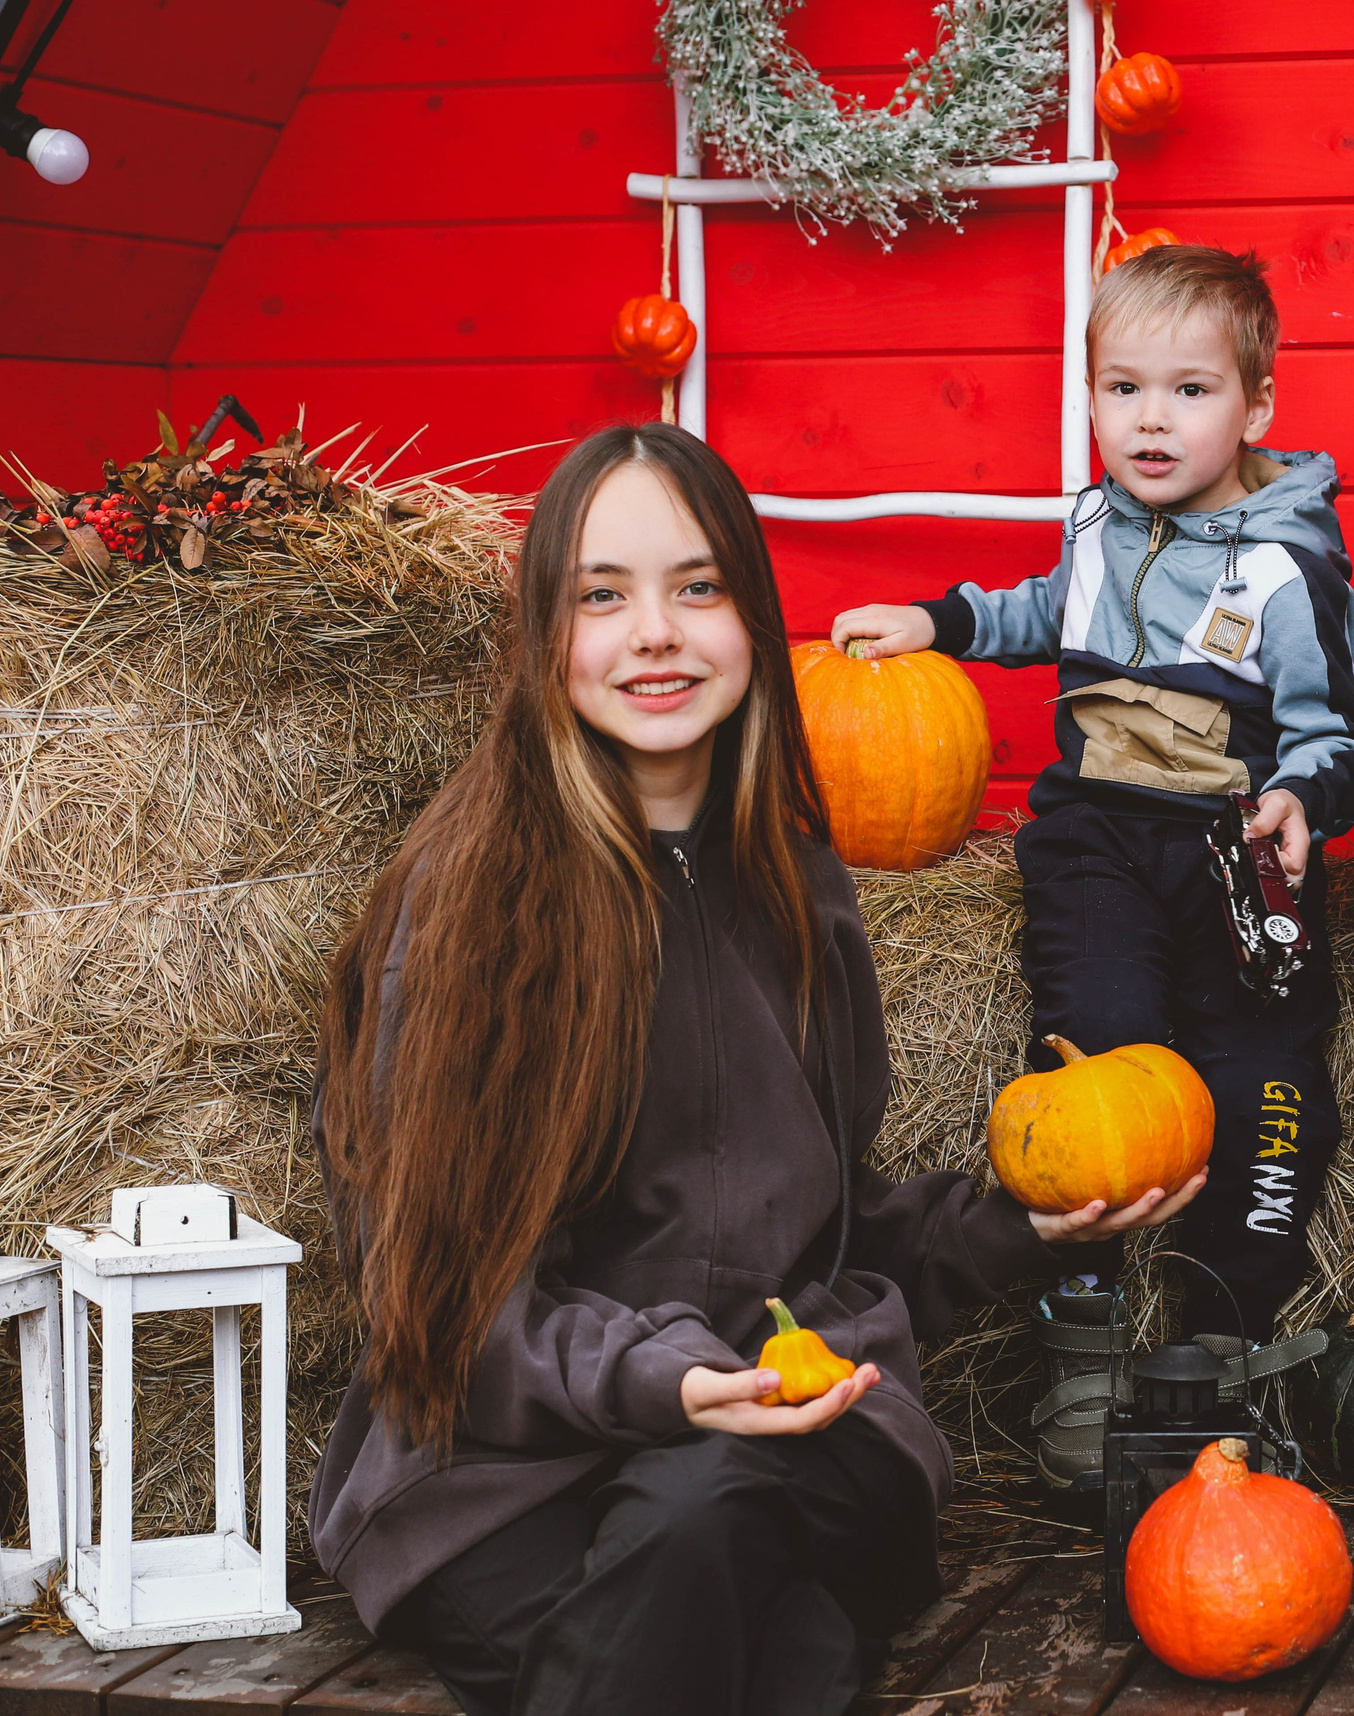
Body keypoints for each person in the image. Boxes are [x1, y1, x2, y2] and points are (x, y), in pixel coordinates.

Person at [307, 424, 1196, 1716]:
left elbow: (829, 1235)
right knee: (774, 1632)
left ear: (756, 620)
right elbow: (445, 1309)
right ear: (544, 636)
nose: (654, 632)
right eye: (602, 595)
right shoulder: (468, 915)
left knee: (710, 1512)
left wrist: (1023, 1225)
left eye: (698, 587)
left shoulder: (799, 890)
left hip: (796, 1435)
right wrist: (666, 1381)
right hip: (521, 1469)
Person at [830, 245, 1354, 1351]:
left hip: (1234, 851)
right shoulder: (1095, 520)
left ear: (1256, 402)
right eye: (1122, 389)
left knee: (1263, 1083)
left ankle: (1228, 1332)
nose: (1151, 421)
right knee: (1094, 1056)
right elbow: (1045, 611)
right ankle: (1082, 1321)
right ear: (1089, 397)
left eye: (1190, 390)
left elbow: (1339, 737)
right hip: (1097, 840)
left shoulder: (1285, 569)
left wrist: (1302, 800)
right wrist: (938, 623)